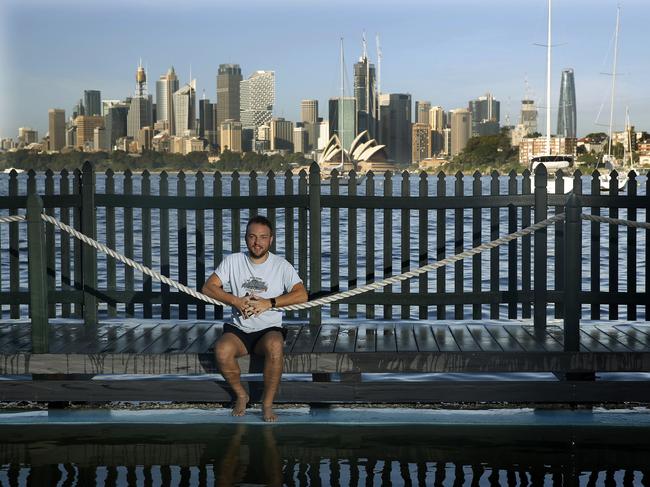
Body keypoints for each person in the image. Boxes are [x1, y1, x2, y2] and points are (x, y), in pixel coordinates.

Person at [202, 215, 308, 422]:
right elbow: (208, 287)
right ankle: (241, 395)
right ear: (245, 238)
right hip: (239, 329)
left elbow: (301, 294)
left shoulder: (281, 265)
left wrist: (269, 303)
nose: (257, 242)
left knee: (276, 345)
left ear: (271, 240)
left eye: (262, 237)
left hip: (268, 330)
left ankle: (267, 404)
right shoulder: (233, 261)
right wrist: (236, 301)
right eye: (252, 237)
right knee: (222, 350)